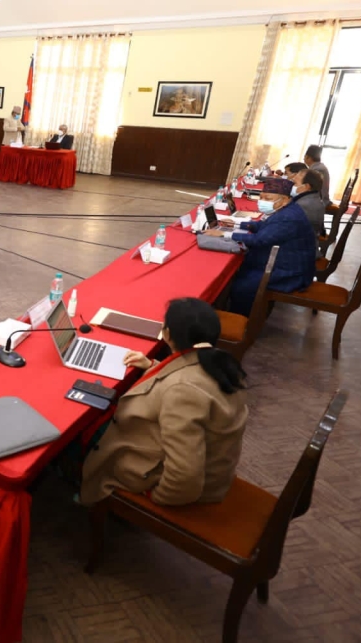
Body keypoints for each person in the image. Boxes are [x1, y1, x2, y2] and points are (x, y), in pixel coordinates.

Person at [80, 298, 248, 506]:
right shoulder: (222, 363)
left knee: (86, 432)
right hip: (214, 472)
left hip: (176, 486)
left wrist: (156, 497)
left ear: (167, 334)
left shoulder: (181, 391)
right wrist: (153, 367)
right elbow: (189, 377)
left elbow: (186, 476)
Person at [206, 181, 317, 315]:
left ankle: (242, 318)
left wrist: (224, 234)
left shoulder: (288, 217)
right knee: (238, 268)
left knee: (241, 287)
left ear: (285, 200)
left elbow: (259, 240)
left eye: (268, 199)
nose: (262, 201)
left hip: (288, 272)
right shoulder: (287, 209)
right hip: (283, 261)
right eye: (261, 197)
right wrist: (236, 225)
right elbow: (265, 227)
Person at [292, 169, 326, 238]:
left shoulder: (303, 204)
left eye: (295, 183)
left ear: (306, 186)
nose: (292, 186)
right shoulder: (312, 197)